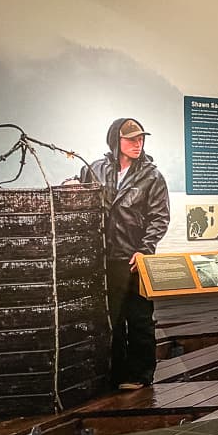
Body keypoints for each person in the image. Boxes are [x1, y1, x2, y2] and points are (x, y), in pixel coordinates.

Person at [78, 118, 169, 390]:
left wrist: (145, 249)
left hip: (134, 258)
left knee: (139, 317)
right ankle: (116, 374)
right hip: (103, 259)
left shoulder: (152, 176)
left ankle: (141, 375)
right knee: (110, 319)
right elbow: (80, 198)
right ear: (115, 141)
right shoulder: (94, 169)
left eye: (140, 138)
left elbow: (159, 218)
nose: (137, 143)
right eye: (131, 139)